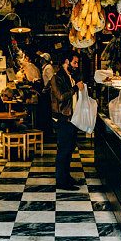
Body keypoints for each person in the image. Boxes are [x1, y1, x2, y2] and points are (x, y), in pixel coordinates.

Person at [50, 50, 84, 190]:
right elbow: (61, 97)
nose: (76, 65)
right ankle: (61, 182)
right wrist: (75, 88)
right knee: (63, 150)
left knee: (69, 149)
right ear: (66, 61)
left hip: (71, 118)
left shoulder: (70, 76)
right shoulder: (57, 77)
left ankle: (66, 177)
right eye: (74, 62)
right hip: (62, 119)